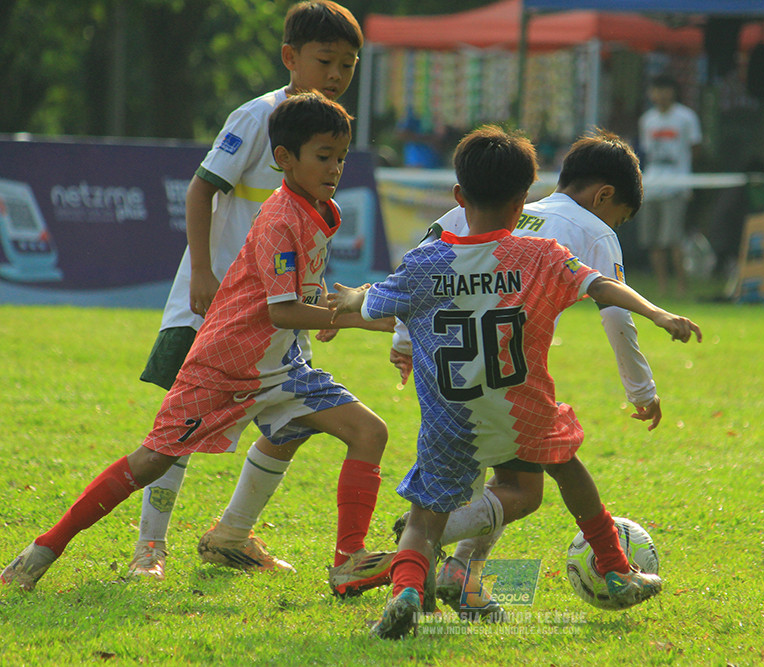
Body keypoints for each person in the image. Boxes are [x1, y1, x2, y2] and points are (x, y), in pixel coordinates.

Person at [2, 94, 394, 596]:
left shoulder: (323, 209)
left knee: (370, 432)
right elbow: (280, 311)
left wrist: (332, 305)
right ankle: (45, 547)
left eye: (341, 156)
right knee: (152, 460)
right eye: (324, 156)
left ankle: (347, 562)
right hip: (224, 367)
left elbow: (298, 292)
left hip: (284, 368)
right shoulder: (279, 218)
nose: (336, 167)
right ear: (284, 158)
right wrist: (356, 317)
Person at [329, 125, 702, 639]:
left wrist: (359, 305)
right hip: (519, 406)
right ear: (521, 198)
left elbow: (377, 298)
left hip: (450, 415)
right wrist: (659, 314)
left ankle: (408, 590)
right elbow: (604, 289)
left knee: (423, 518)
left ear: (459, 197)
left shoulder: (427, 259)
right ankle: (614, 566)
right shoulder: (541, 254)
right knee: (560, 470)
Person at [131, 1, 390, 583]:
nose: (336, 75)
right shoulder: (260, 116)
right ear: (290, 57)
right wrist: (202, 272)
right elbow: (201, 191)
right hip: (219, 306)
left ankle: (231, 535)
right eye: (326, 60)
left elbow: (305, 235)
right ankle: (149, 548)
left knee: (292, 425)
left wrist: (317, 302)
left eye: (348, 65)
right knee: (178, 431)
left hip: (278, 312)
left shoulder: (327, 132)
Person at [636, 73, 702, 297]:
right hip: (652, 186)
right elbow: (646, 152)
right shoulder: (647, 120)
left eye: (665, 89)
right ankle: (662, 286)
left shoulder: (686, 117)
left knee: (673, 239)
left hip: (676, 186)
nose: (661, 95)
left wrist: (687, 180)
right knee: (653, 241)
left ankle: (682, 286)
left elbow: (695, 148)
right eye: (656, 90)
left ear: (673, 92)